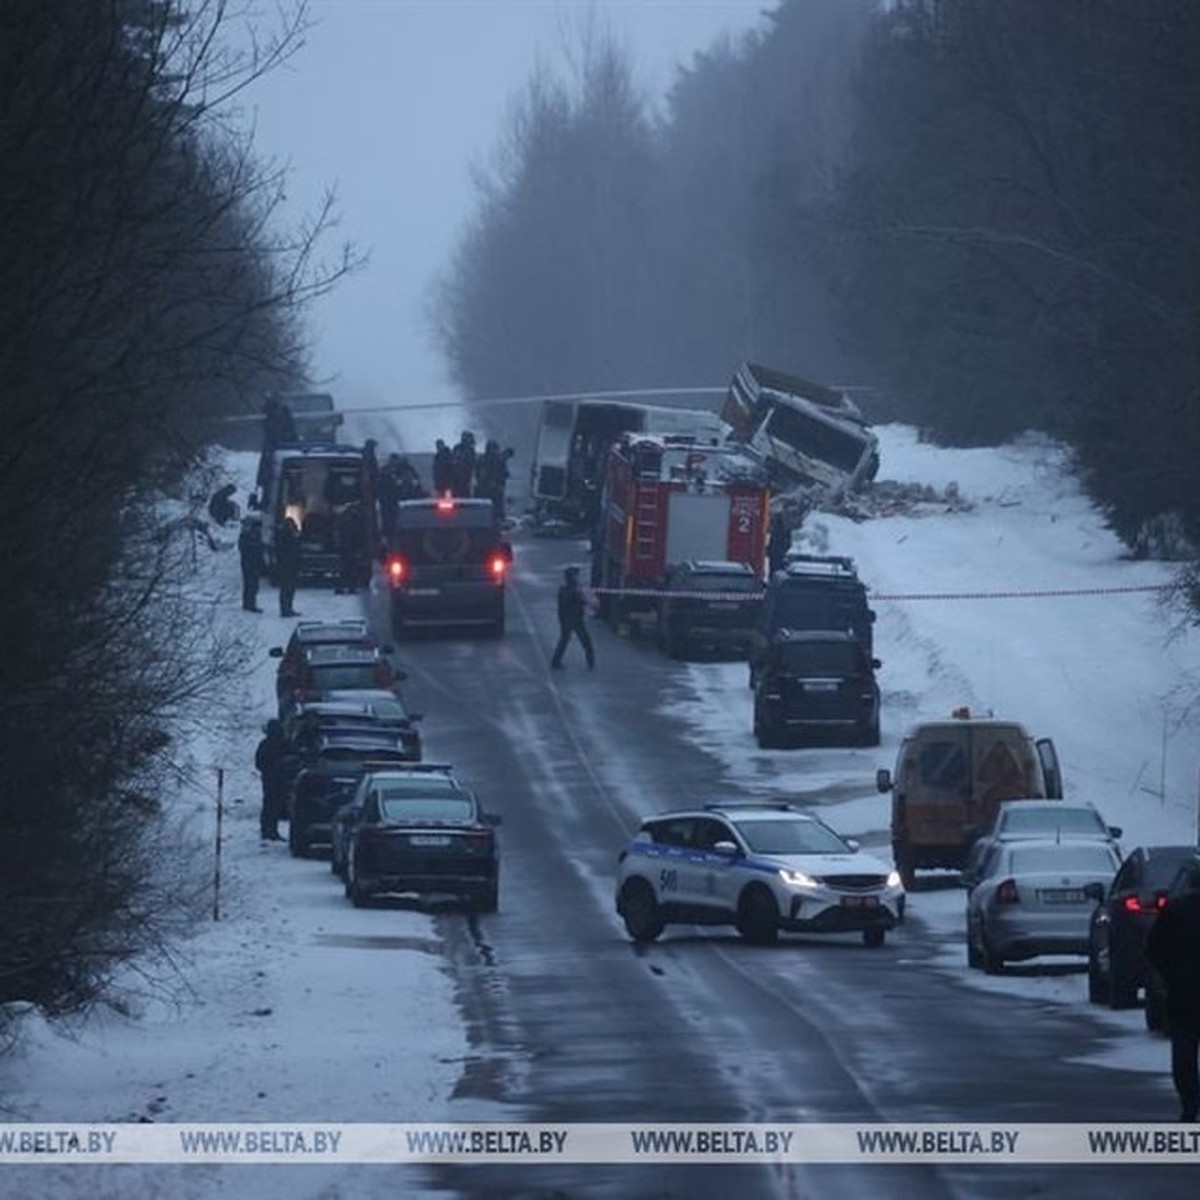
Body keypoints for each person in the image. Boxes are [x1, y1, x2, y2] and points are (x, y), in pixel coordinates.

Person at [1145, 865, 1200, 1122]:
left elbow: (1154, 950)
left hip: (1184, 993)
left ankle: (1190, 1104)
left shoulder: (1175, 910)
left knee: (1184, 1054)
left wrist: (1169, 978)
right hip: (1183, 989)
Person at [550, 565, 595, 670]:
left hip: (567, 619)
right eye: (576, 576)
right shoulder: (571, 591)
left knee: (565, 640)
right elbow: (581, 600)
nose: (578, 578)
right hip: (574, 619)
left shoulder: (564, 590)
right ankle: (590, 662)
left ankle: (556, 661)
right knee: (585, 641)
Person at [253, 719, 290, 841]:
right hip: (273, 778)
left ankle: (269, 830)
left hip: (277, 778)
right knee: (272, 804)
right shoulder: (278, 743)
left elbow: (259, 763)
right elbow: (259, 763)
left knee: (272, 805)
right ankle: (268, 830)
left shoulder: (276, 743)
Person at [275, 516, 302, 618]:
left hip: (290, 565)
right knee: (287, 588)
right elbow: (283, 551)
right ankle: (286, 609)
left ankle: (288, 608)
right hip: (287, 566)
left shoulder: (288, 535)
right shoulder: (286, 536)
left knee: (289, 589)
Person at [237, 514, 264, 612]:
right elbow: (245, 548)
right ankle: (250, 604)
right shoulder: (248, 536)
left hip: (250, 562)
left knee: (250, 584)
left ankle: (248, 603)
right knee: (251, 584)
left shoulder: (250, 535)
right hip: (250, 563)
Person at [451, 431, 476, 497]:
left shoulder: (471, 450)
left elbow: (473, 462)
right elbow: (454, 460)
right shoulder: (458, 448)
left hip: (467, 474)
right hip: (458, 475)